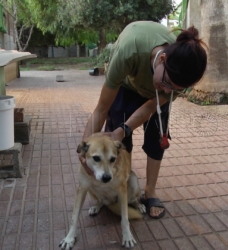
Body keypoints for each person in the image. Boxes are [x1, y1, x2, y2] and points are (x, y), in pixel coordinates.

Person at [80, 21, 207, 219]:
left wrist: (123, 129)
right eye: (166, 83)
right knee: (120, 143)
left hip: (152, 99)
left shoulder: (178, 76)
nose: (167, 91)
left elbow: (149, 107)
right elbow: (102, 108)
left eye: (175, 89)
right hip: (127, 86)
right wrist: (84, 148)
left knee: (157, 138)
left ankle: (150, 191)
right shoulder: (130, 50)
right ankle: (120, 185)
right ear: (162, 59)